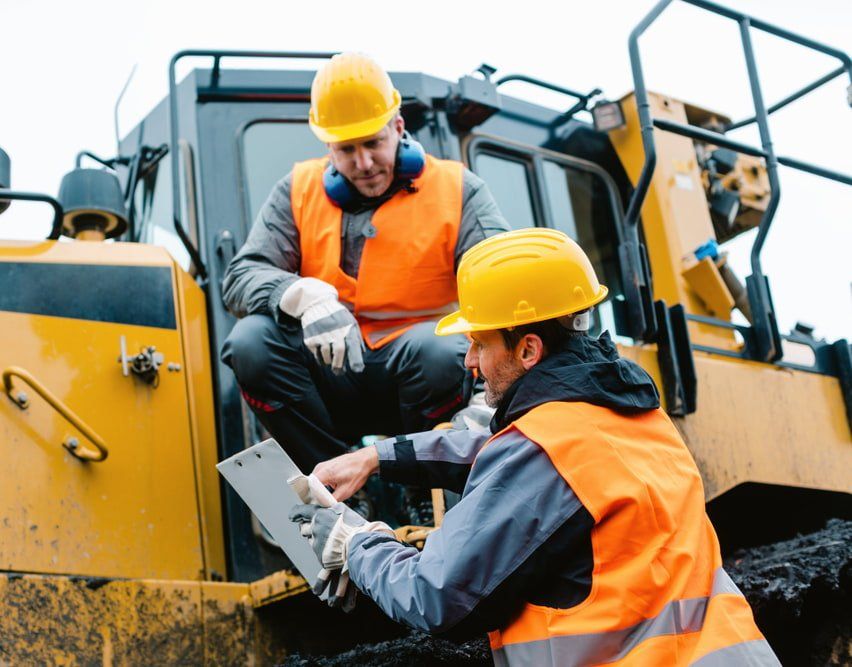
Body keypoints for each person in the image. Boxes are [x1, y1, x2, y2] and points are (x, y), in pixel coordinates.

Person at [290, 228, 780, 666]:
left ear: (528, 349)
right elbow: (503, 450)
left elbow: (434, 598)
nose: (470, 361)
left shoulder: (545, 449)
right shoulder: (632, 416)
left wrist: (356, 545)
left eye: (480, 343)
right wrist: (377, 457)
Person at [220, 52, 508, 474]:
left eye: (373, 143)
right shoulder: (297, 190)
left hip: (427, 381)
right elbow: (241, 277)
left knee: (440, 350)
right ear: (327, 147)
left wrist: (490, 398)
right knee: (250, 343)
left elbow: (504, 285)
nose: (364, 163)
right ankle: (333, 484)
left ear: (398, 127)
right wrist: (299, 294)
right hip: (328, 378)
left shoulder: (459, 190)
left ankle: (423, 478)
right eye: (347, 150)